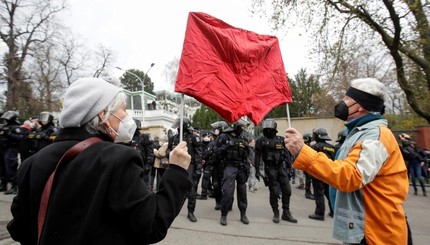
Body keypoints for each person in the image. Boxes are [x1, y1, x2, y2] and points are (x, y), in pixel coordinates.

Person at [7, 77, 192, 245]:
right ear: (103, 114)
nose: (127, 117)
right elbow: (151, 225)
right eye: (124, 109)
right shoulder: (118, 159)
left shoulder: (31, 163)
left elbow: (18, 228)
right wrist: (177, 171)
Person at [284, 78, 410, 244]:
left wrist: (303, 152)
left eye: (347, 98)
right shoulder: (358, 133)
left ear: (361, 105)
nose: (342, 102)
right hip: (362, 231)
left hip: (376, 234)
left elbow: (350, 176)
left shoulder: (375, 136)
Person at [255, 118, 297, 224]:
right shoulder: (261, 141)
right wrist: (257, 170)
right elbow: (257, 156)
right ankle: (276, 212)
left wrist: (291, 168)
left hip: (281, 167)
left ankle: (286, 212)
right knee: (273, 192)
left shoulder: (281, 140)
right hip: (270, 169)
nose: (268, 129)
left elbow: (287, 155)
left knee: (287, 190)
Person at [214, 120, 250, 226]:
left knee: (242, 193)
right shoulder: (224, 137)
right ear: (236, 127)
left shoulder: (243, 138)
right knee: (227, 192)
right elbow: (216, 152)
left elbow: (247, 153)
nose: (243, 129)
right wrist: (228, 145)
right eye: (241, 127)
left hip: (241, 168)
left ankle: (243, 214)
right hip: (229, 167)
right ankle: (224, 215)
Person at [167, 117, 202, 223]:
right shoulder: (174, 138)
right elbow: (168, 149)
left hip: (189, 165)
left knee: (191, 190)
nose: (177, 128)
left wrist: (198, 169)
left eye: (179, 126)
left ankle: (190, 211)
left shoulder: (193, 138)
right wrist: (170, 154)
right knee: (174, 187)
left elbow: (199, 154)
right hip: (176, 164)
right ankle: (171, 210)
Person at [308, 128, 336, 221]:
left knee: (319, 193)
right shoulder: (332, 147)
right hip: (329, 174)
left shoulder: (314, 147)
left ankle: (319, 213)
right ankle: (333, 211)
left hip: (318, 174)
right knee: (329, 193)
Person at [0, 111, 22, 195]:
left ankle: (14, 186)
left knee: (10, 167)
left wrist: (9, 133)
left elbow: (20, 137)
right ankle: (3, 184)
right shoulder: (4, 127)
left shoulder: (16, 127)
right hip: (2, 148)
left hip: (11, 149)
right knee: (2, 167)